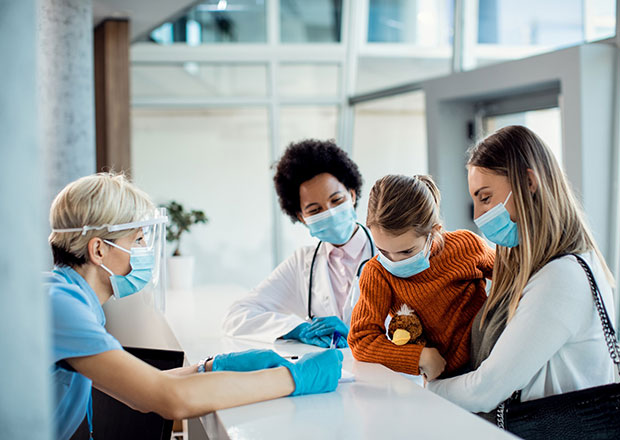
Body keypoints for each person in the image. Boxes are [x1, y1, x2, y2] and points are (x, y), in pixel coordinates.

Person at [47, 173, 342, 440]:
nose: (145, 251)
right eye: (137, 240)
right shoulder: (62, 309)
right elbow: (169, 398)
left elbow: (142, 388)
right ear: (98, 250)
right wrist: (296, 378)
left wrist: (211, 366)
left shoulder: (68, 299)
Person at [427, 125, 616, 414]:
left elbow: (485, 390)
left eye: (486, 197)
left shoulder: (562, 277)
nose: (478, 215)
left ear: (529, 182)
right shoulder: (531, 272)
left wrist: (424, 386)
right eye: (475, 200)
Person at [223, 139, 375, 348]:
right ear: (302, 217)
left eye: (337, 200)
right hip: (335, 377)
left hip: (391, 376)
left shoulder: (391, 253)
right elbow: (237, 316)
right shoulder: (302, 263)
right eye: (314, 210)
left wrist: (360, 338)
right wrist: (297, 329)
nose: (329, 212)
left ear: (352, 194)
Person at [348, 174, 495, 380]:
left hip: (490, 358)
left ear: (434, 231)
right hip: (442, 375)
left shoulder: (466, 245)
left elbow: (516, 278)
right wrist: (420, 357)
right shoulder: (377, 273)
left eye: (406, 252)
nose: (394, 260)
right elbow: (361, 340)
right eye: (383, 251)